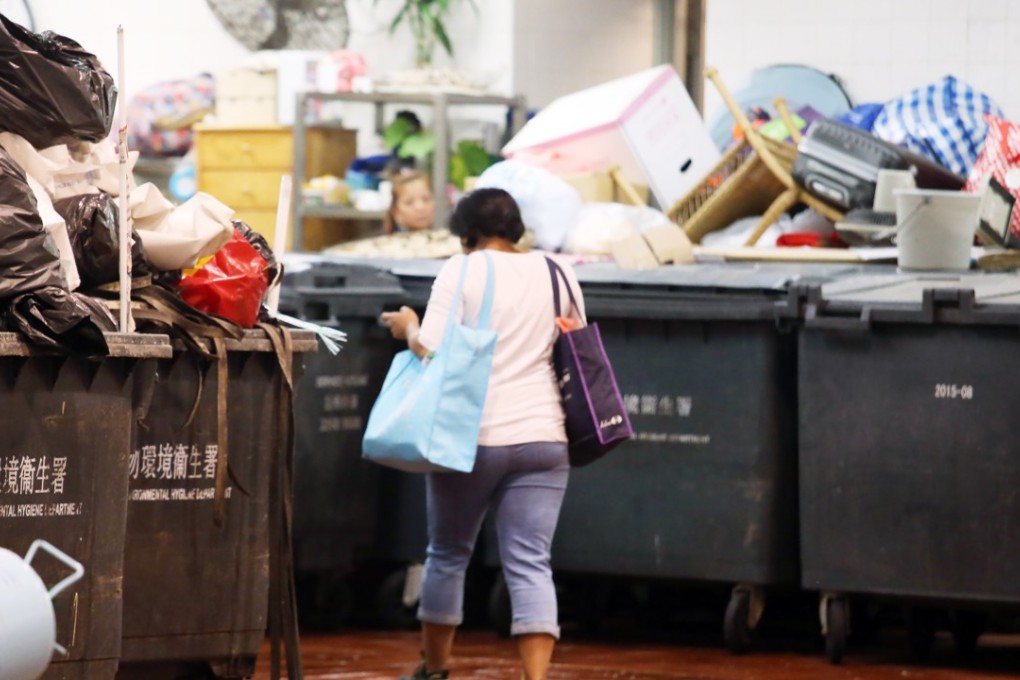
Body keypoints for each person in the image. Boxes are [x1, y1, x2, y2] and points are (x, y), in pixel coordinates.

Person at [380, 188, 585, 680]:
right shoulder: (559, 271)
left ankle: (435, 667)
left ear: (467, 231)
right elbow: (574, 336)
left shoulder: (463, 268)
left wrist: (407, 326)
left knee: (448, 554)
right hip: (544, 435)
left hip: (471, 436)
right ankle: (535, 677)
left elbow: (430, 346)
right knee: (532, 562)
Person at [382, 170, 436, 235]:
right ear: (395, 211)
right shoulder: (388, 244)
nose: (420, 207)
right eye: (409, 202)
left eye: (426, 199)